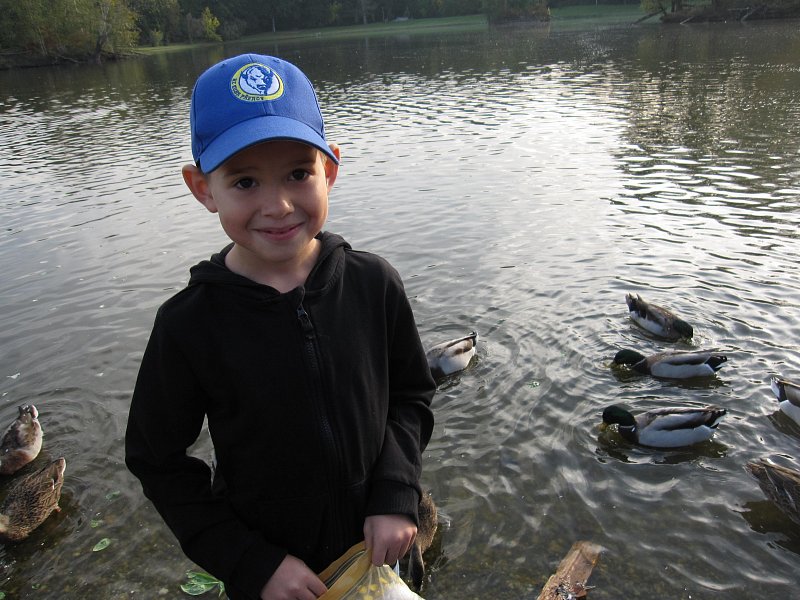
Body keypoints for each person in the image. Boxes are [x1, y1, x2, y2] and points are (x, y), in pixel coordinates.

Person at [125, 53, 436, 600]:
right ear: (203, 188)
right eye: (245, 181)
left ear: (330, 170)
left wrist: (396, 490)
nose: (279, 205)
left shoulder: (374, 284)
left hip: (380, 555)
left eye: (298, 173)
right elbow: (158, 461)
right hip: (272, 577)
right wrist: (249, 561)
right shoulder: (188, 324)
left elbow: (410, 397)